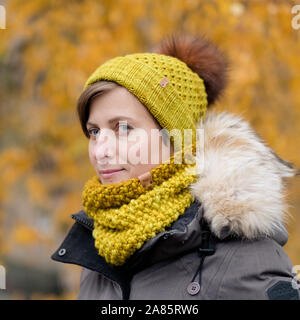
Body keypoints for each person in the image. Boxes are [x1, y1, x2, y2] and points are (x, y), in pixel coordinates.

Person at [51, 33, 300, 300]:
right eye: (94, 132)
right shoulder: (100, 247)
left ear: (176, 139)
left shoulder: (246, 260)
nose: (101, 151)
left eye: (123, 128)